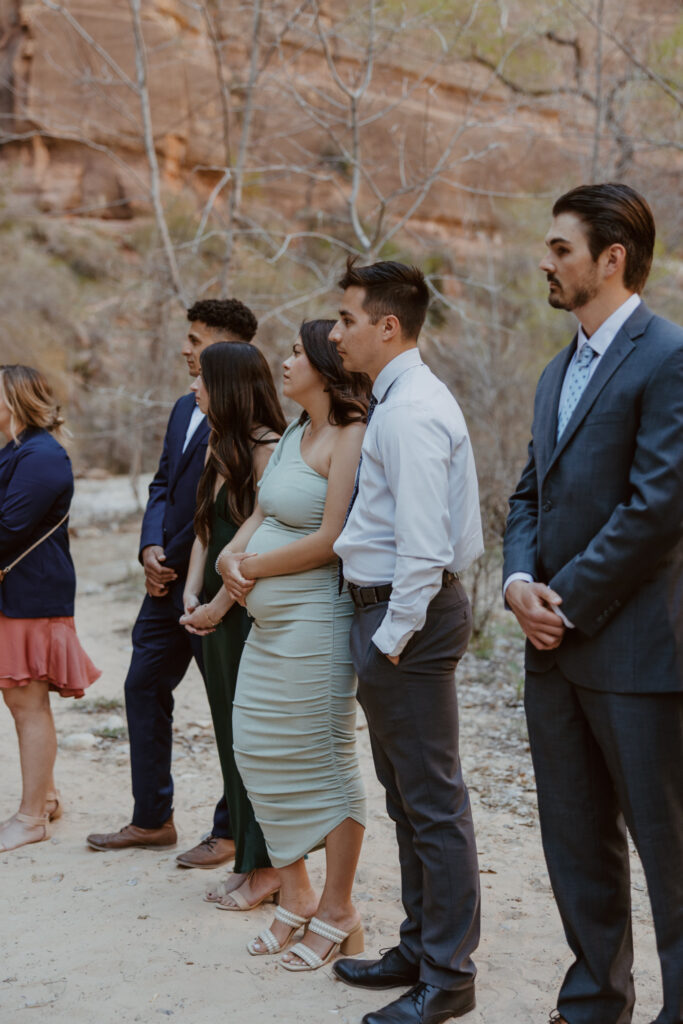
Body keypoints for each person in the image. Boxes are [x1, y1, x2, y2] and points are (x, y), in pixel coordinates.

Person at [502, 183, 683, 1024]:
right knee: (575, 847)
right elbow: (527, 495)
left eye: (560, 248)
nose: (545, 260)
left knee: (669, 855)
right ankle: (593, 1005)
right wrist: (514, 589)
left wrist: (561, 601)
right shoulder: (550, 371)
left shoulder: (667, 355)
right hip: (550, 652)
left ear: (611, 258)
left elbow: (655, 509)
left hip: (637, 653)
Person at [330, 259, 484, 1024]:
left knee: (432, 802)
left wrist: (388, 638)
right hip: (390, 617)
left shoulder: (411, 410)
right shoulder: (393, 401)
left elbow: (425, 548)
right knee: (407, 799)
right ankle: (419, 948)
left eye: (346, 319)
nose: (335, 333)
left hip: (406, 619)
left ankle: (449, 977)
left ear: (387, 326)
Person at [218, 319, 369, 969]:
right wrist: (230, 553)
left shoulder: (350, 437)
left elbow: (333, 537)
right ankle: (298, 894)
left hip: (317, 623)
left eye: (293, 353)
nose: (281, 362)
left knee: (323, 760)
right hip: (270, 626)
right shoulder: (293, 436)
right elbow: (262, 514)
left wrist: (249, 570)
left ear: (323, 366)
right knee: (256, 746)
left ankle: (340, 911)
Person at [87, 298, 258, 867]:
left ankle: (231, 830)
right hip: (163, 584)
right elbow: (163, 484)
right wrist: (149, 546)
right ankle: (152, 817)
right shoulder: (183, 408)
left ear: (230, 347)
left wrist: (180, 556)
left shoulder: (248, 419)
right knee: (141, 685)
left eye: (195, 339)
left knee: (227, 705)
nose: (185, 349)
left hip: (215, 586)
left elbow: (231, 507)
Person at [179, 342, 285, 907]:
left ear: (232, 386)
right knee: (227, 736)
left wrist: (219, 600)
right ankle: (247, 859)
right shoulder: (218, 446)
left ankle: (268, 867)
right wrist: (192, 590)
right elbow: (204, 528)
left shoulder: (271, 449)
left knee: (255, 740)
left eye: (203, 379)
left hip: (248, 607)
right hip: (212, 606)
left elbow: (257, 541)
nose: (194, 387)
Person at [0, 365, 100, 852]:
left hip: (32, 595)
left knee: (27, 704)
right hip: (19, 593)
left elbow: (8, 528)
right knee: (21, 701)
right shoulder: (18, 451)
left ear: (14, 400)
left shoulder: (41, 455)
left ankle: (31, 817)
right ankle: (47, 796)